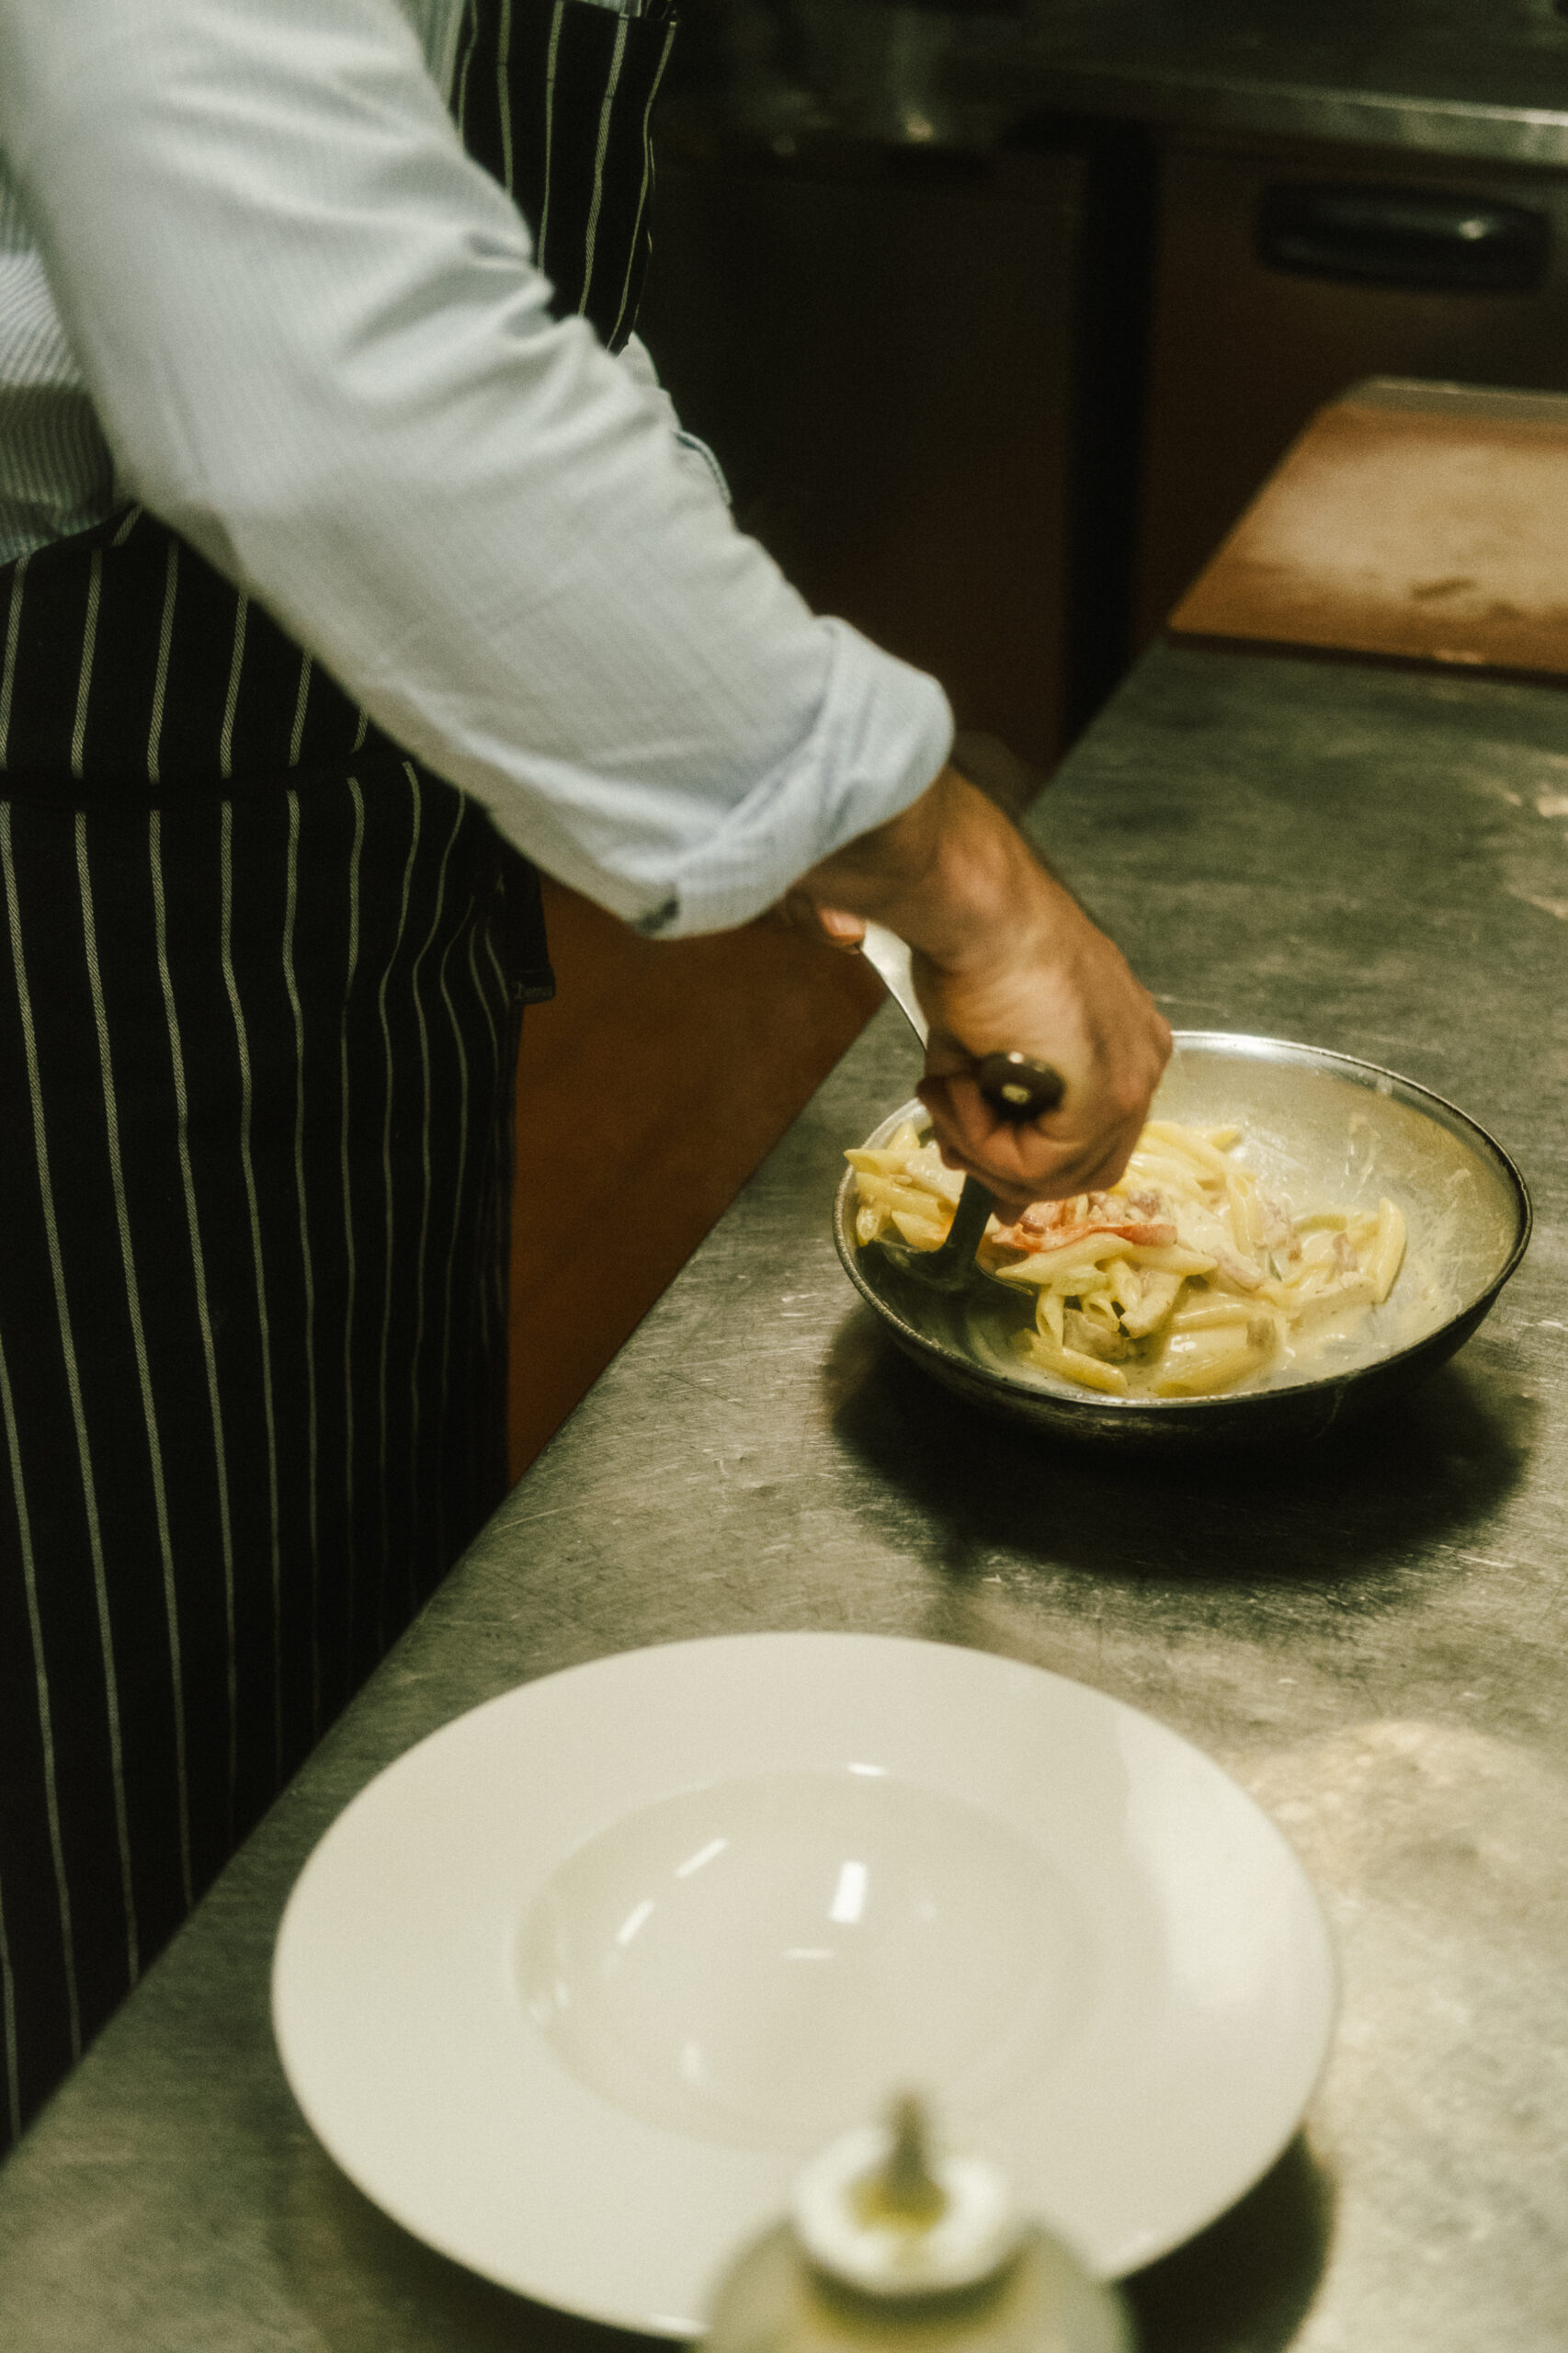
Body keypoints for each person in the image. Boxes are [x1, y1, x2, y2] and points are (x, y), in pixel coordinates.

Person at [0, 0, 1169, 2151]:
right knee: (119, 1820)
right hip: (56, 872)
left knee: (341, 1661)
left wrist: (712, 704)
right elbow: (307, 366)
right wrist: (942, 861)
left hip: (300, 813)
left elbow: (470, 278)